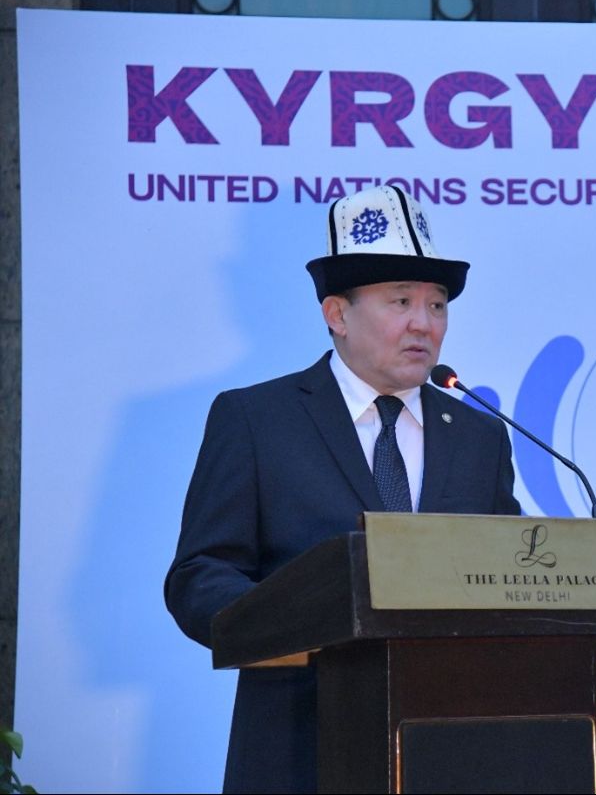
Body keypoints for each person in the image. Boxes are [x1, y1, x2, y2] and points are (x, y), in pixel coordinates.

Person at [164, 185, 521, 793]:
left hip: (452, 748)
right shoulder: (257, 420)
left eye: (437, 305)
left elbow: (510, 575)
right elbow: (201, 572)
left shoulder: (479, 438)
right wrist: (297, 624)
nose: (424, 323)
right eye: (401, 301)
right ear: (337, 314)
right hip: (300, 745)